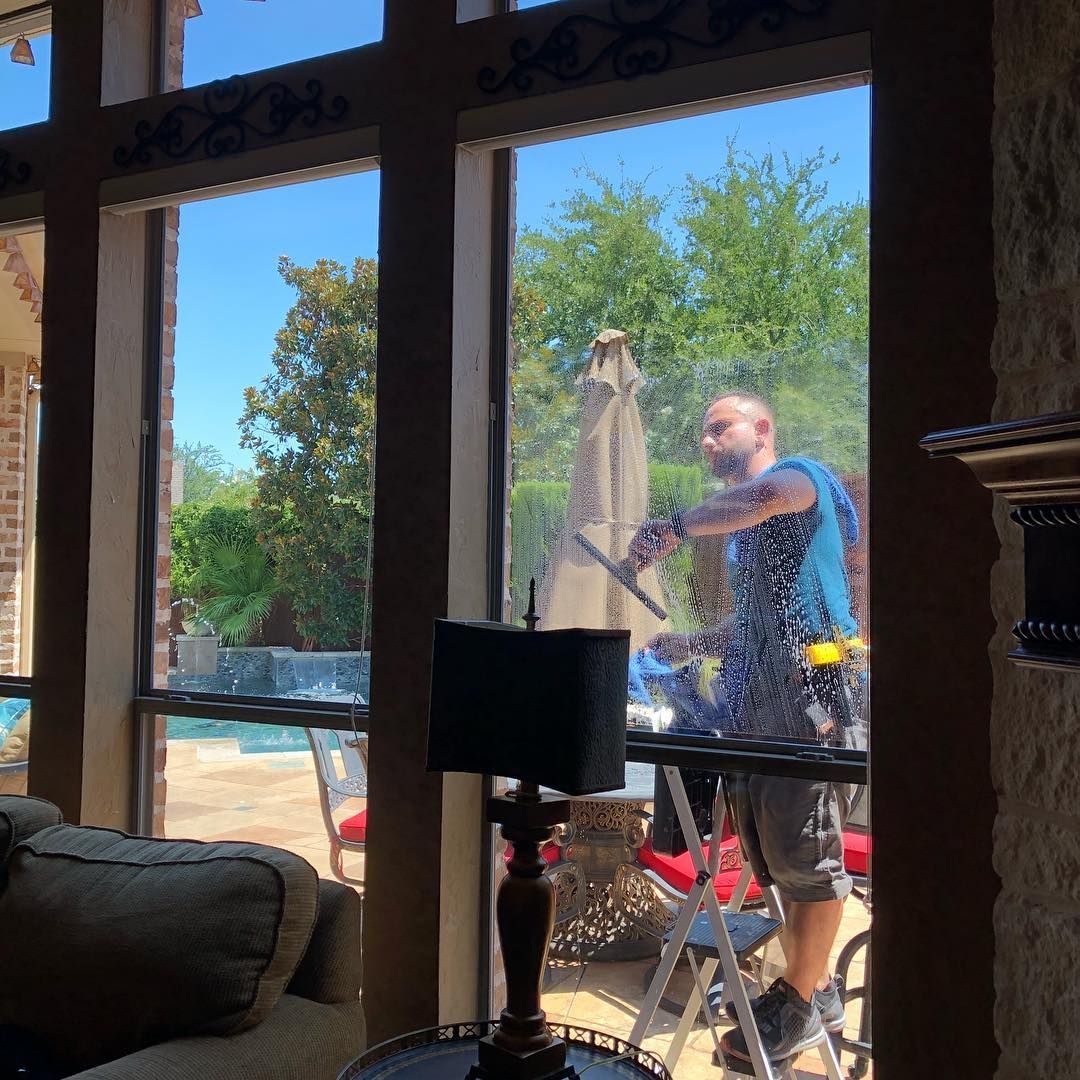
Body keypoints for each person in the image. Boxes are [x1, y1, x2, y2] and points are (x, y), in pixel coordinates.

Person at [629, 391, 865, 1065]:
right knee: (771, 857)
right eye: (703, 432)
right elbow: (755, 627)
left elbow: (764, 499)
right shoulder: (744, 538)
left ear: (761, 429)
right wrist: (693, 643)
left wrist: (673, 527)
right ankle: (814, 991)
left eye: (719, 428)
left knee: (805, 854)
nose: (707, 441)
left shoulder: (799, 478)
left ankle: (795, 1001)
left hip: (813, 698)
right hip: (758, 711)